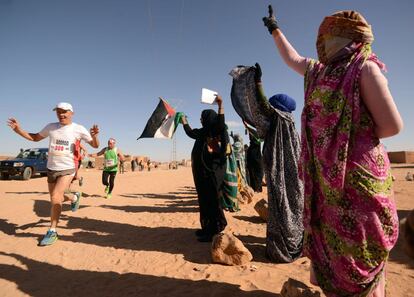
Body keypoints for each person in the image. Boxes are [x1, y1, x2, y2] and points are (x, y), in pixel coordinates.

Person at [262, 6, 403, 296]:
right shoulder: (319, 73)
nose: (325, 40)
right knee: (333, 250)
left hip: (359, 183)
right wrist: (275, 30)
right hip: (327, 188)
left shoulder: (364, 68)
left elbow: (391, 125)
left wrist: (347, 137)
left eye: (331, 34)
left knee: (362, 249)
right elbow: (293, 59)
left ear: (351, 36)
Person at [7, 102, 99, 246]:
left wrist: (94, 137)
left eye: (64, 111)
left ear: (71, 113)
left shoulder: (78, 129)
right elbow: (35, 138)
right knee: (56, 199)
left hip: (68, 168)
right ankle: (74, 196)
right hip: (51, 168)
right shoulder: (51, 127)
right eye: (58, 112)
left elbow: (95, 145)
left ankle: (52, 231)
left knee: (56, 197)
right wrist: (19, 130)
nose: (61, 114)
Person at [252, 63, 304, 263]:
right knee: (294, 204)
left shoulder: (279, 118)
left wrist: (258, 82)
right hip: (295, 175)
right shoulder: (290, 122)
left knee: (281, 205)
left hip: (280, 173)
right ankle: (295, 245)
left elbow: (262, 104)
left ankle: (281, 249)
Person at [181, 94, 228, 242]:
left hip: (213, 174)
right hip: (202, 174)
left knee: (212, 201)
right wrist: (184, 122)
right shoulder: (202, 132)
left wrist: (220, 105)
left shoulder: (218, 130)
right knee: (204, 200)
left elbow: (220, 124)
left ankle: (215, 229)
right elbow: (190, 133)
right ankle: (206, 228)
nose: (201, 120)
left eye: (202, 117)